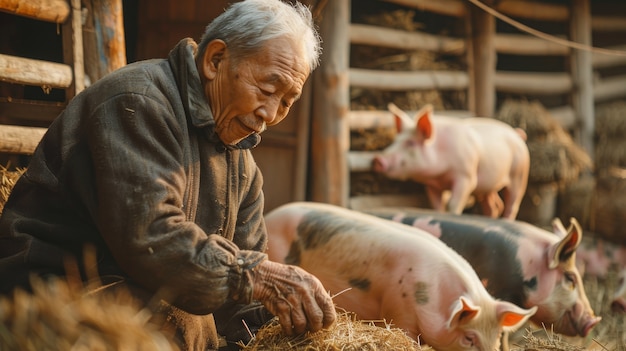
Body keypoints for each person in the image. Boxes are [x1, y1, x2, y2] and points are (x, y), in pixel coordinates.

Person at [0, 0, 336, 350]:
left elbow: (241, 298)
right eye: (267, 90)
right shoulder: (138, 102)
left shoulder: (244, 168)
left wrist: (286, 324)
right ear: (215, 60)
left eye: (286, 102)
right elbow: (150, 236)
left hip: (133, 289)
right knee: (180, 320)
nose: (269, 113)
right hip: (47, 293)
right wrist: (252, 274)